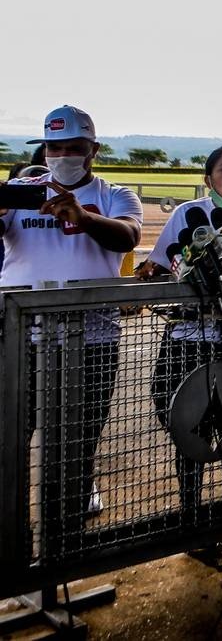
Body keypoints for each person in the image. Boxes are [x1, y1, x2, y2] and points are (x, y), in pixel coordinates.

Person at [0, 105, 142, 549]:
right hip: (19, 338)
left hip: (90, 339)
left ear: (93, 151)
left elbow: (128, 236)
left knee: (76, 440)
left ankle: (65, 547)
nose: (61, 155)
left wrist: (83, 218)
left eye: (73, 148)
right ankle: (15, 544)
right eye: (53, 147)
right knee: (11, 437)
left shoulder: (116, 195)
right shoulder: (20, 190)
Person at [139, 146, 222, 524]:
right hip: (190, 339)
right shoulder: (187, 215)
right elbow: (159, 265)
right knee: (188, 426)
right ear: (208, 178)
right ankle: (192, 513)